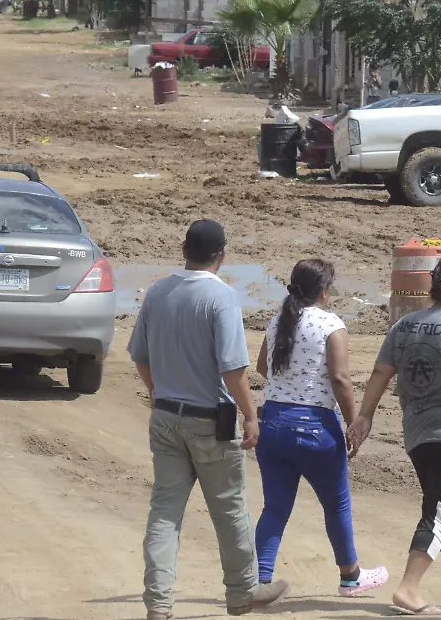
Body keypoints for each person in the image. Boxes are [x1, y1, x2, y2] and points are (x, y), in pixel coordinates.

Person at [129, 219, 290, 619]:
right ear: (222, 254)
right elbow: (232, 369)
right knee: (230, 509)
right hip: (211, 422)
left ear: (183, 248)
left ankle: (158, 603)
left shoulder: (158, 292)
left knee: (165, 513)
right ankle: (241, 594)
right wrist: (251, 415)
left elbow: (139, 355)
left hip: (166, 416)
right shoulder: (221, 298)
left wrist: (156, 393)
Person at [348, 257, 441, 616]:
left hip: (418, 435)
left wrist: (364, 416)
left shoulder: (404, 325)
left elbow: (382, 371)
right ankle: (408, 588)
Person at [253, 259, 388, 598]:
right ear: (325, 291)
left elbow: (261, 366)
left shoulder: (276, 321)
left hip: (273, 422)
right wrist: (353, 422)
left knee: (275, 507)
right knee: (337, 504)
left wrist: (288, 392)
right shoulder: (331, 324)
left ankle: (259, 581)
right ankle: (350, 576)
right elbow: (340, 378)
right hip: (315, 428)